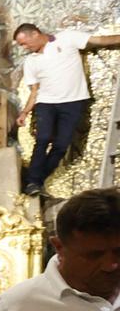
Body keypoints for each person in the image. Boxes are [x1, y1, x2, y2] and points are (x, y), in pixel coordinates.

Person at [12, 23, 120, 196]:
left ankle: (35, 181)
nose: (24, 47)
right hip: (46, 104)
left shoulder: (67, 38)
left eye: (24, 43)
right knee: (43, 139)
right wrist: (25, 112)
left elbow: (99, 40)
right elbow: (34, 91)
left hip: (73, 102)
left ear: (34, 34)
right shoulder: (31, 61)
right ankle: (32, 181)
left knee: (61, 145)